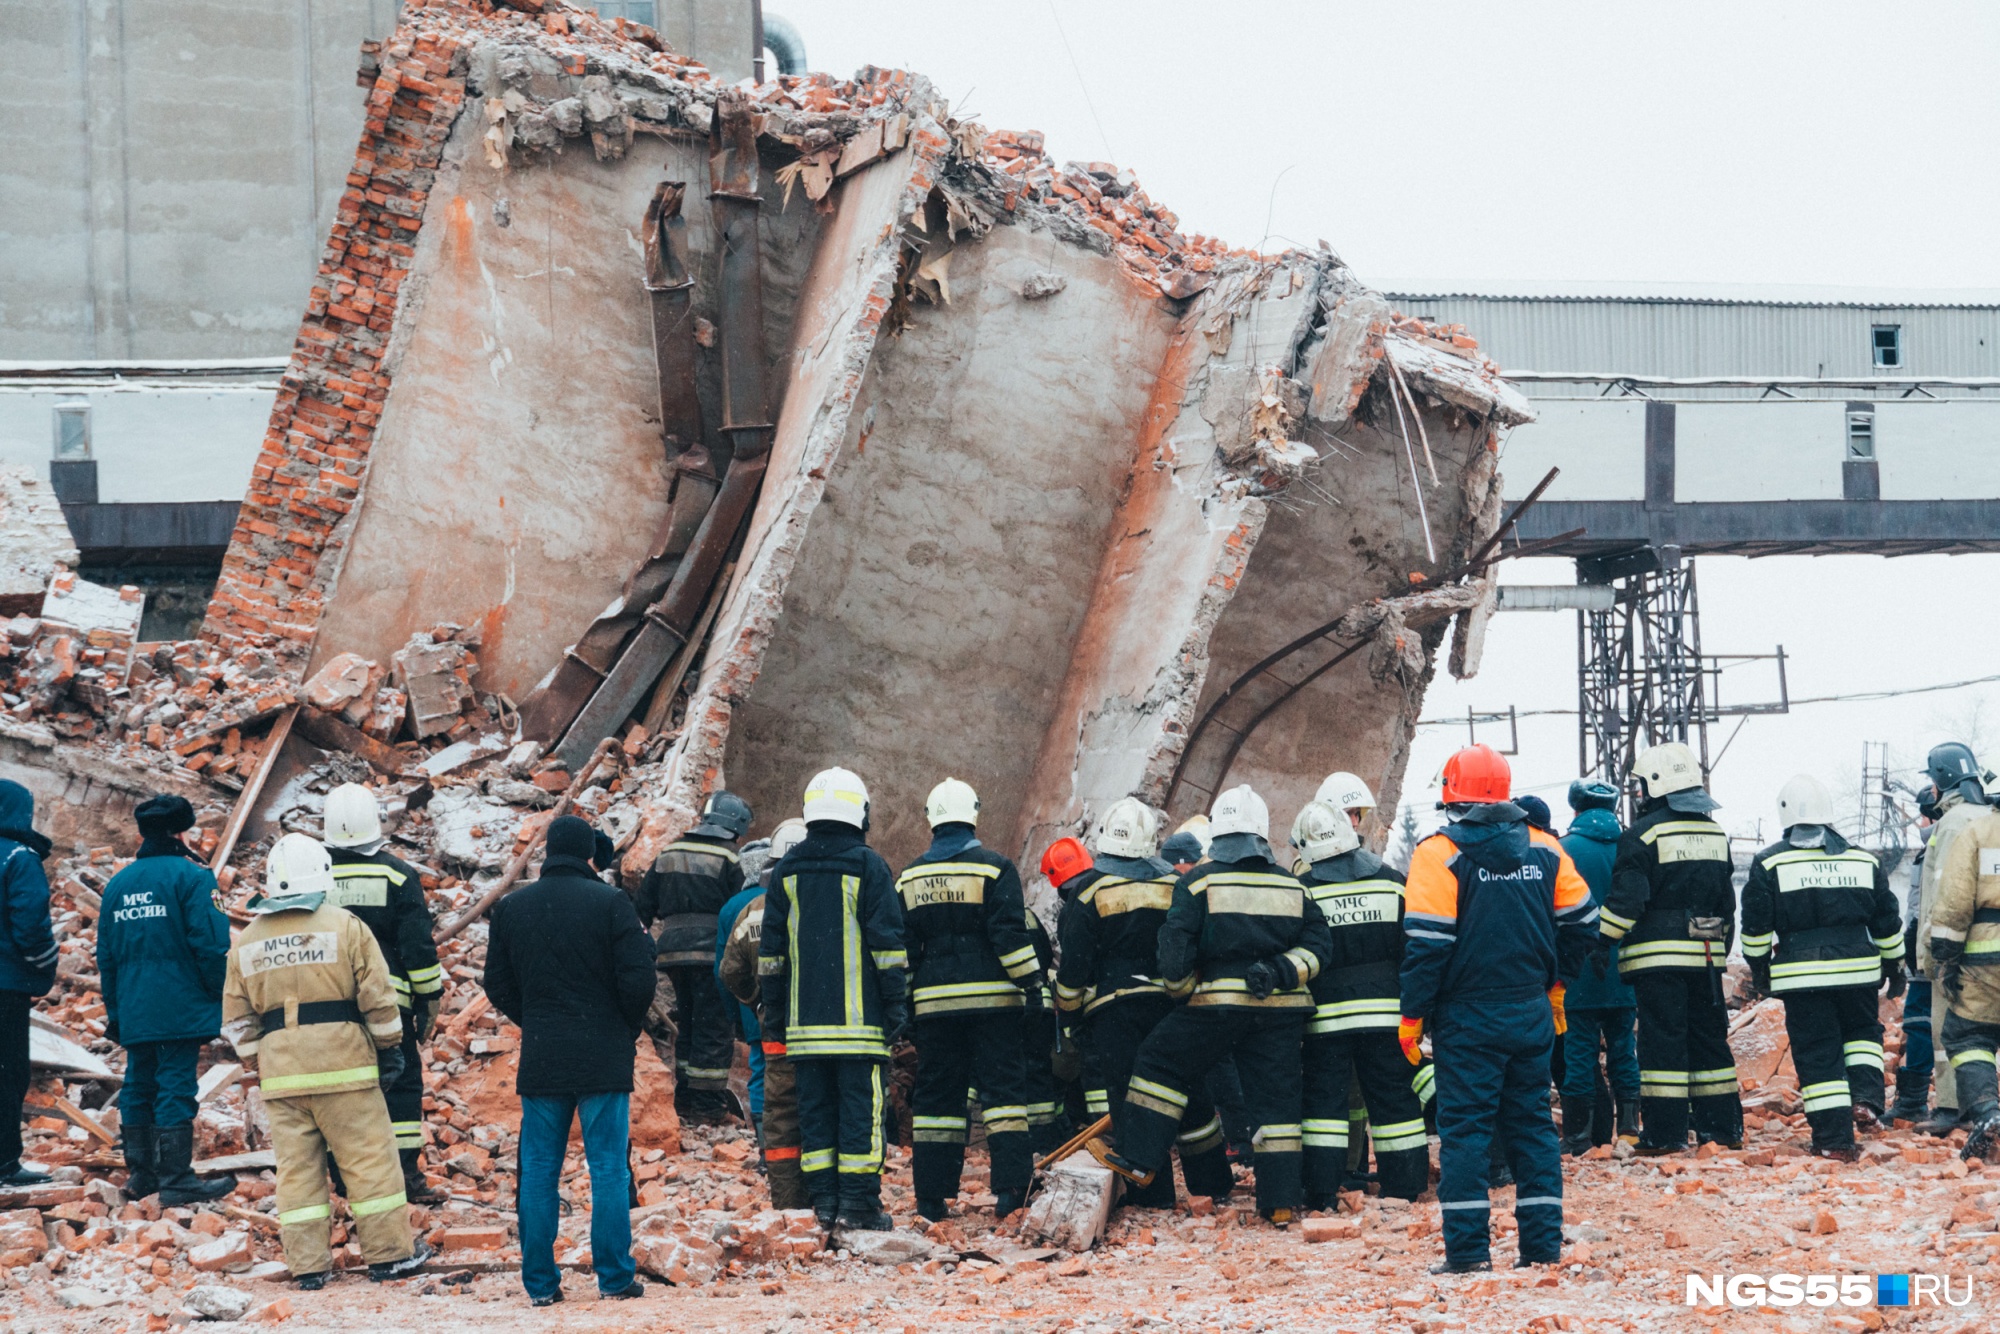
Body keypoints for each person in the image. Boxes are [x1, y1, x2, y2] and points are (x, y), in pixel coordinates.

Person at [1400, 744, 1596, 1274]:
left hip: (1466, 1018)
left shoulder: (1437, 855)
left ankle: (1467, 1257)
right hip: (1531, 1011)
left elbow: (1428, 945)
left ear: (1450, 794)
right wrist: (1555, 982)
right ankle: (1540, 1251)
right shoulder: (1546, 848)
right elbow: (1583, 923)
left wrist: (1413, 1016)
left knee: (1465, 1132)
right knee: (1532, 1127)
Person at [1115, 784, 1332, 1223]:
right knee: (1277, 1105)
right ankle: (1281, 1202)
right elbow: (1319, 948)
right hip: (1279, 1011)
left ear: (1220, 833)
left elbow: (1175, 950)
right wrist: (1280, 971)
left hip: (1214, 1008)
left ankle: (1139, 1159)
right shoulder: (1293, 886)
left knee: (1160, 1062)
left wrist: (1179, 992)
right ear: (1261, 835)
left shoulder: (1198, 881)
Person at [221, 834, 427, 1289]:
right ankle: (389, 1256)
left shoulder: (248, 939)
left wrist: (263, 1061)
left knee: (297, 1174)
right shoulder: (346, 925)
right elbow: (378, 997)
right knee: (370, 1162)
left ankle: (309, 1266)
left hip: (283, 1079)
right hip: (347, 1070)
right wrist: (390, 1048)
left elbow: (236, 1020)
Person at [484, 816, 654, 1306]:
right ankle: (615, 1279)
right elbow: (639, 976)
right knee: (607, 1168)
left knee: (538, 1168)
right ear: (588, 856)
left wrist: (535, 1017)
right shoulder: (611, 903)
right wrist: (622, 1025)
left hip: (544, 1058)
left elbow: (496, 982)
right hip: (603, 1055)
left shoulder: (513, 908)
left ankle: (540, 1285)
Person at [1049, 804, 1233, 1210]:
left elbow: (1075, 967)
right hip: (1171, 1003)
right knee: (1190, 1092)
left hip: (1115, 1011)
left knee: (1131, 1098)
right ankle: (1213, 1185)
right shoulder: (1175, 883)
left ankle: (1153, 1196)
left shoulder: (1090, 891)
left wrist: (1068, 1012)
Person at [758, 768, 908, 1231]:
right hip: (860, 1030)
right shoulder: (868, 866)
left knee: (816, 1116)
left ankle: (824, 1204)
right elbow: (887, 947)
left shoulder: (786, 869)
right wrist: (896, 1006)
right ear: (860, 812)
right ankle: (859, 1207)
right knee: (861, 1116)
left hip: (804, 1032)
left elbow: (772, 956)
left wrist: (776, 1015)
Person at [895, 779, 1040, 1220]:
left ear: (931, 819)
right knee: (1004, 1098)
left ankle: (931, 1198)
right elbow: (1009, 938)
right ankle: (1012, 1191)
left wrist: (905, 1003)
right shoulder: (996, 870)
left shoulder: (910, 877)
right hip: (994, 1007)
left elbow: (904, 951)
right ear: (974, 815)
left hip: (936, 1009)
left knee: (937, 1102)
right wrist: (1032, 983)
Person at [1739, 775, 1902, 1160]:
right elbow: (1886, 920)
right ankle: (1865, 1098)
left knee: (1818, 1050)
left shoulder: (1770, 863)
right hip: (1859, 972)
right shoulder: (1864, 859)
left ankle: (1834, 1142)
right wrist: (1895, 962)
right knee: (1863, 1035)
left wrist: (1760, 968)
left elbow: (1756, 926)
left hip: (1802, 977)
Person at [1597, 741, 1742, 1155]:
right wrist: (1718, 947)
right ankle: (1723, 1128)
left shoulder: (1641, 835)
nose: (1640, 794)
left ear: (1657, 785)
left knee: (1663, 1044)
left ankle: (1666, 1133)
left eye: (1642, 786)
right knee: (1709, 1041)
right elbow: (1725, 903)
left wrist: (1602, 941)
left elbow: (1627, 902)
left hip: (1657, 961)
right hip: (1707, 956)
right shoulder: (1715, 834)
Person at [96, 795, 234, 1203]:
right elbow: (211, 945)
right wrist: (214, 992)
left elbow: (106, 957)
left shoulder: (119, 884)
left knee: (138, 1082)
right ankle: (176, 1180)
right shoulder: (193, 877)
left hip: (135, 1004)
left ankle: (142, 1175)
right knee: (175, 1084)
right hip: (180, 1002)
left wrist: (116, 1010)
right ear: (182, 831)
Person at [1291, 798, 1427, 1206]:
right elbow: (1413, 951)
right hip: (1388, 1018)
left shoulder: (1304, 890)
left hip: (1326, 1023)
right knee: (1395, 1100)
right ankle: (1404, 1185)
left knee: (1324, 1108)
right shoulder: (1391, 882)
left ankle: (1322, 1190)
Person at [321, 783, 443, 1204]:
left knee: (341, 1090)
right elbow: (417, 947)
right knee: (403, 1084)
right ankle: (405, 1175)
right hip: (389, 1006)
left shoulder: (314, 876)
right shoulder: (396, 873)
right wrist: (429, 998)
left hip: (331, 1006)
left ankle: (343, 1177)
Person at [635, 790, 751, 1124]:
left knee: (688, 1023)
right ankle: (708, 1108)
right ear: (736, 826)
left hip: (671, 953)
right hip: (710, 953)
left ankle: (684, 1098)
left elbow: (641, 908)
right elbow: (740, 910)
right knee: (714, 1028)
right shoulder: (731, 857)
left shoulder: (668, 852)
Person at [721, 819, 809, 1208]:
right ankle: (828, 1198)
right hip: (822, 1030)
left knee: (779, 1112)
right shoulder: (824, 905)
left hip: (772, 1029)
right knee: (822, 1107)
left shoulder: (752, 910)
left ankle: (787, 1202)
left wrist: (756, 1002)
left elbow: (728, 970)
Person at [1556, 778, 1640, 1152]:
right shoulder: (1632, 846)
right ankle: (1629, 1130)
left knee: (1578, 1054)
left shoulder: (1561, 851)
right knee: (1624, 1050)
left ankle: (1578, 1138)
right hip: (1626, 970)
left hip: (1578, 973)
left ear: (1576, 810)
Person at [1912, 744, 1991, 1136]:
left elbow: (1945, 894)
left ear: (1942, 779)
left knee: (1951, 1030)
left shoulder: (1955, 822)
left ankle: (1951, 1107)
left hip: (1964, 949)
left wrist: (1932, 953)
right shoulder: (1990, 818)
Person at [1928, 789, 2000, 1158]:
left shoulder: (1978, 832)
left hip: (1986, 960)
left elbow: (1954, 904)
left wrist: (1944, 959)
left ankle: (1989, 1114)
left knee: (1968, 1036)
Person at [0, 781, 58, 1187]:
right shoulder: (20, 857)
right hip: (6, 986)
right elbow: (32, 925)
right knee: (9, 1073)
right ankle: (5, 1164)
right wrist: (43, 971)